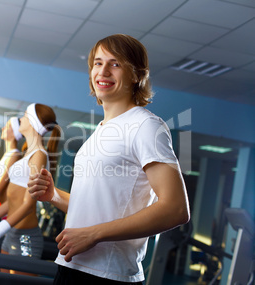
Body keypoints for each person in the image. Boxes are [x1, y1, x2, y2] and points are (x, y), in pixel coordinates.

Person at [27, 34, 190, 284]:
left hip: (107, 275)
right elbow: (97, 209)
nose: (103, 71)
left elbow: (176, 208)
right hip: (73, 266)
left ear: (137, 75)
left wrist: (94, 234)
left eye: (115, 64)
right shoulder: (102, 129)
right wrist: (54, 196)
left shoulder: (145, 125)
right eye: (97, 63)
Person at [0, 103, 61, 271]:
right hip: (11, 233)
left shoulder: (39, 155)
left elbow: (27, 205)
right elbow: (11, 203)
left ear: (32, 122)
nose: (21, 119)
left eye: (24, 115)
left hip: (26, 239)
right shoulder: (28, 154)